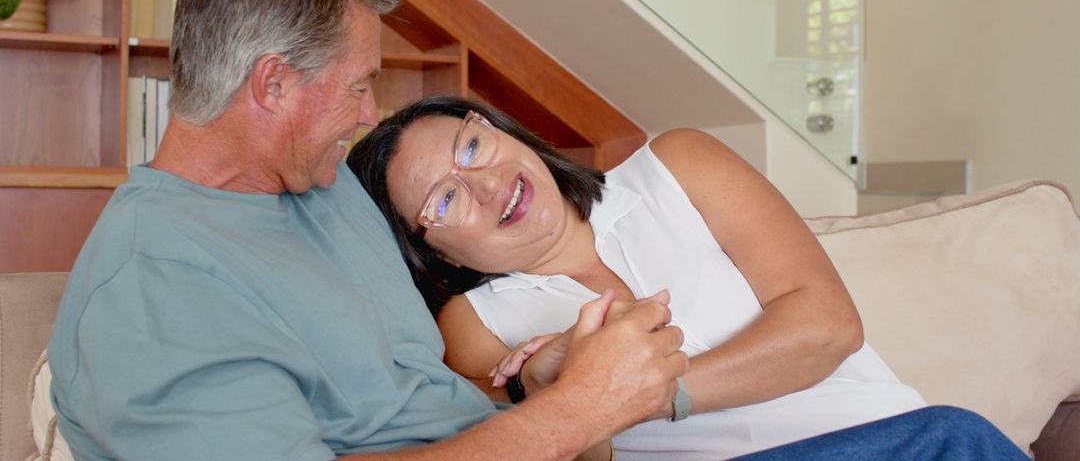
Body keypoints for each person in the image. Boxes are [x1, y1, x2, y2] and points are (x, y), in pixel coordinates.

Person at [45, 0, 689, 461]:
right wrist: (574, 414)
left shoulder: (324, 188)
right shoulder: (152, 284)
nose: (368, 115)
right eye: (357, 86)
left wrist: (527, 390)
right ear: (273, 85)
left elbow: (405, 407)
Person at [346, 95, 998, 459]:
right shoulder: (476, 327)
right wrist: (560, 396)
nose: (485, 184)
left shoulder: (676, 164)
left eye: (471, 146)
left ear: (498, 130)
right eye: (445, 200)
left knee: (956, 436)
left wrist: (637, 391)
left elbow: (828, 327)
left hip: (901, 441)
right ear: (439, 255)